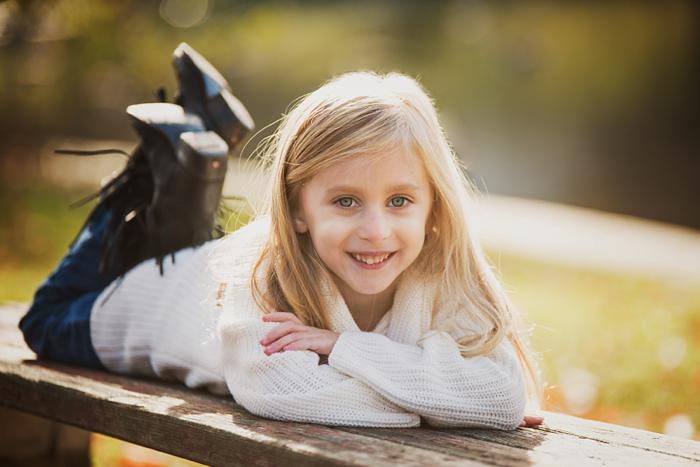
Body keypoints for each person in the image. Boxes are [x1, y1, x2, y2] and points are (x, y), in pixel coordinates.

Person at [20, 59, 544, 428]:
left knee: (184, 249)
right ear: (295, 209)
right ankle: (151, 173)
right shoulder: (261, 273)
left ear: (434, 207)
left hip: (199, 267)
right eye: (345, 201)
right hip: (140, 305)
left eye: (401, 201)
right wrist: (434, 397)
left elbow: (500, 395)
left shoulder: (440, 274)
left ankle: (190, 163)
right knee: (42, 319)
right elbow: (277, 391)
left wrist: (343, 348)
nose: (377, 230)